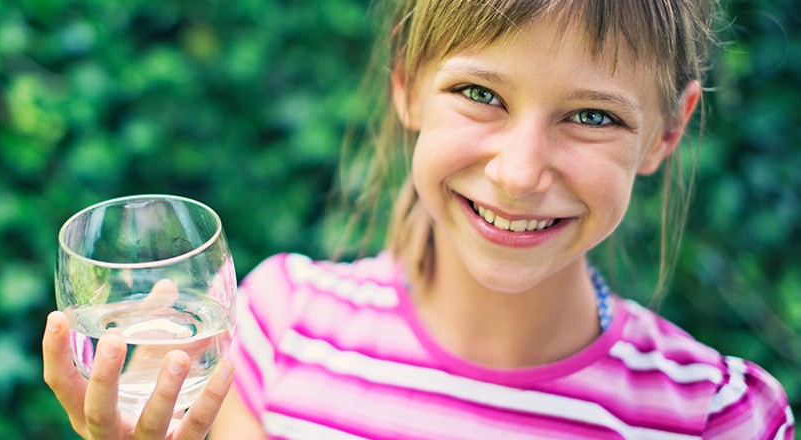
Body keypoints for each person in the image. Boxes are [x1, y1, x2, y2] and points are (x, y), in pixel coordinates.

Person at [42, 0, 796, 438]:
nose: (520, 172)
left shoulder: (722, 419)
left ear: (668, 131)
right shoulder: (277, 332)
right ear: (407, 86)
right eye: (481, 94)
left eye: (592, 115)